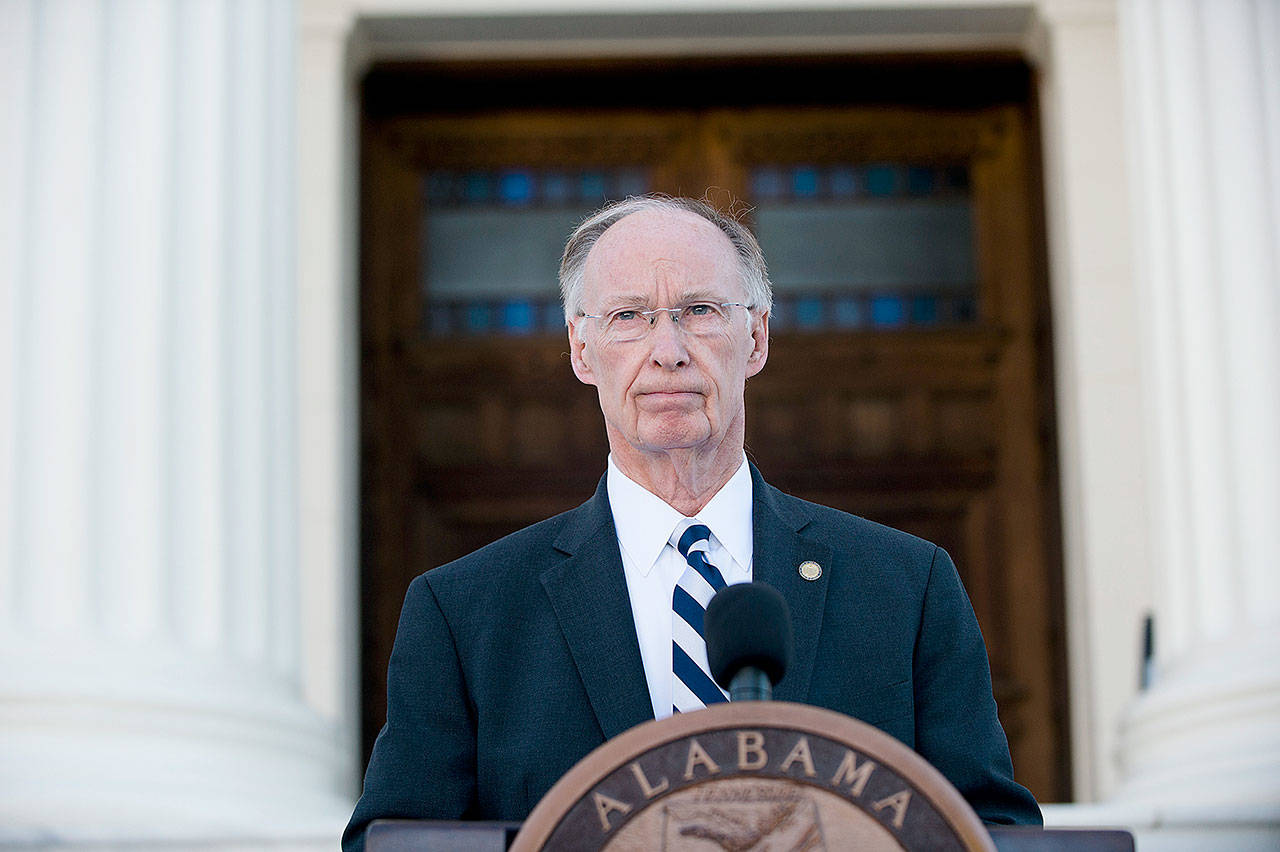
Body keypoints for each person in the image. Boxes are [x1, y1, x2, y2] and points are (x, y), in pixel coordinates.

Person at [343, 196, 1041, 850]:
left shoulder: (904, 589)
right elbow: (402, 843)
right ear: (582, 351)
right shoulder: (466, 613)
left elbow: (989, 832)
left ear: (757, 337)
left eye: (700, 310)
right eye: (628, 317)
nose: (668, 350)